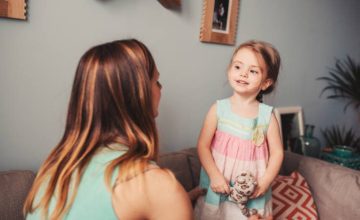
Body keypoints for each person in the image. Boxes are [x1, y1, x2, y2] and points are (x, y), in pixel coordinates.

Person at [23, 39, 193, 220]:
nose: (161, 88)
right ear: (138, 95)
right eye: (156, 81)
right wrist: (174, 201)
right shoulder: (158, 187)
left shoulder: (53, 172)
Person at [194, 40, 284, 220]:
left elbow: (277, 153)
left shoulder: (267, 116)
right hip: (219, 188)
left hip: (251, 195)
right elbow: (203, 146)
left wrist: (265, 183)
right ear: (229, 70)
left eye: (253, 71)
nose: (243, 74)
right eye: (238, 67)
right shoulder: (218, 109)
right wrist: (215, 175)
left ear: (265, 83)